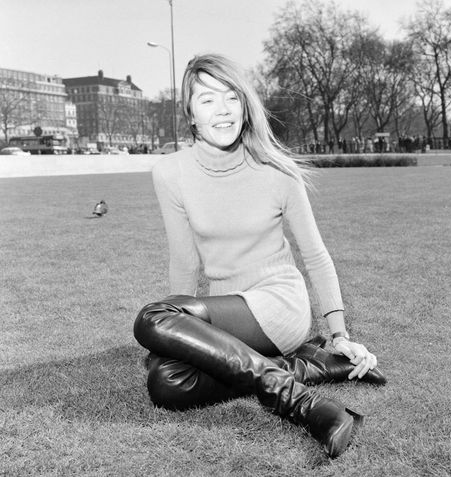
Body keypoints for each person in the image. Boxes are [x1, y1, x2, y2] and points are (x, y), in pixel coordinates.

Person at [133, 54, 386, 459]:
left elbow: (316, 256)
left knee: (152, 318)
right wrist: (180, 341)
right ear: (191, 114)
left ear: (245, 105)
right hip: (229, 310)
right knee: (166, 382)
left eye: (231, 98)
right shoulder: (170, 172)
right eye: (208, 100)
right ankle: (310, 367)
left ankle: (307, 406)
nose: (222, 110)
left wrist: (339, 334)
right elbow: (184, 262)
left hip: (278, 302)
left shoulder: (276, 170)